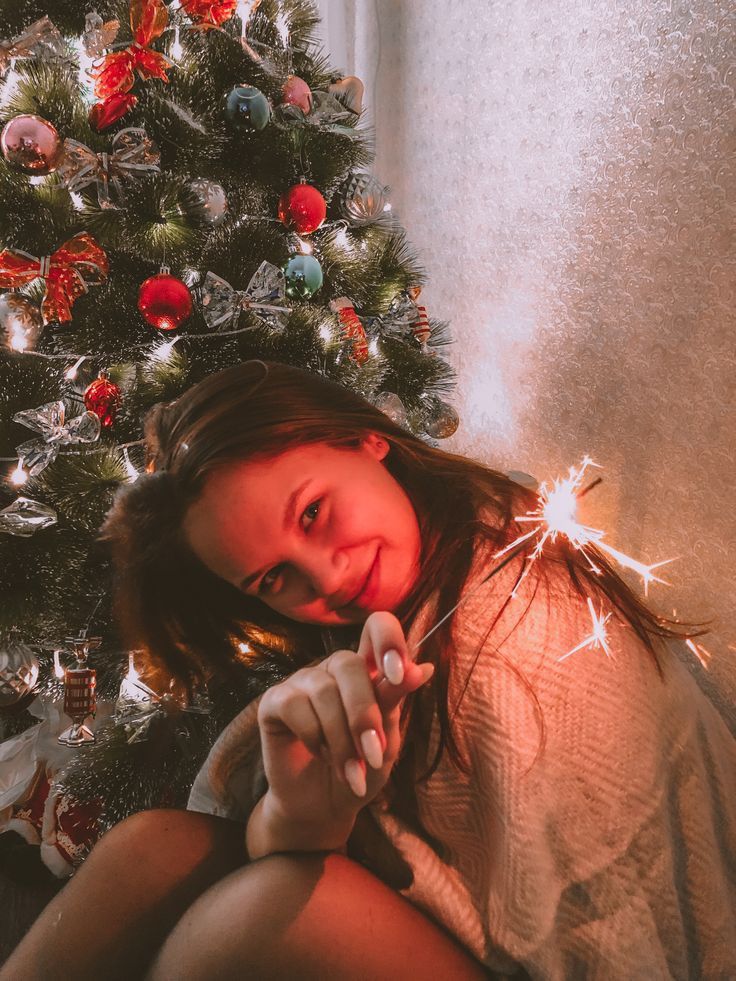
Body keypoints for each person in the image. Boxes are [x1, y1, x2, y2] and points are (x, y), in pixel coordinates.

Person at [3, 359, 735, 980]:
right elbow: (294, 834)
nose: (326, 578)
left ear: (363, 438)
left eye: (314, 513)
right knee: (146, 851)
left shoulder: (518, 634)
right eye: (272, 580)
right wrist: (304, 813)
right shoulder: (398, 594)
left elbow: (611, 915)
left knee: (250, 923)